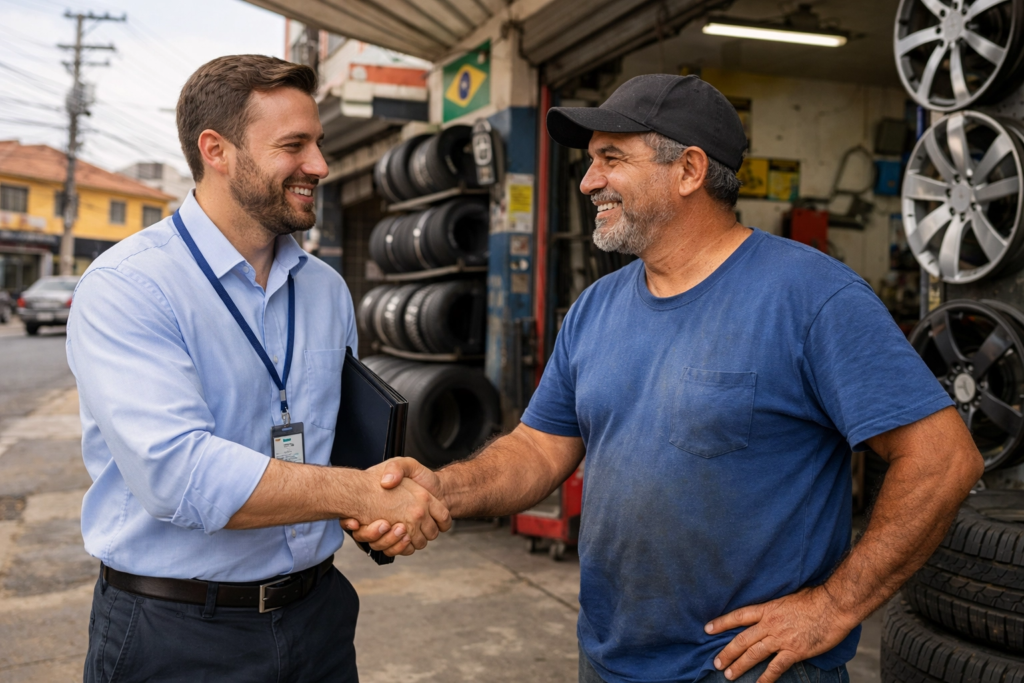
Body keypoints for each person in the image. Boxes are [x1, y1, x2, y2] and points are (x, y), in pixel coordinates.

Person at [347, 74, 984, 683]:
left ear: (689, 170)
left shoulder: (812, 297)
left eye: (612, 158)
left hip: (745, 668)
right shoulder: (595, 309)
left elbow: (943, 460)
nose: (589, 181)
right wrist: (441, 488)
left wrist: (835, 606)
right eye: (590, 162)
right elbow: (537, 450)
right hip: (609, 658)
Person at [67, 54, 450, 683]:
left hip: (319, 617)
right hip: (177, 633)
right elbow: (178, 473)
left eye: (318, 144)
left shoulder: (325, 288)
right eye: (293, 146)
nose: (319, 165)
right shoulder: (129, 285)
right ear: (216, 150)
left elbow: (340, 439)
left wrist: (380, 512)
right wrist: (359, 492)